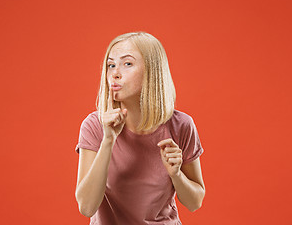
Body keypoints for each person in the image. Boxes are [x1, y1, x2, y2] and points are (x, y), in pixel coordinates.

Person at [75, 31, 205, 224]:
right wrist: (108, 140)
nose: (115, 73)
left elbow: (195, 202)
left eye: (127, 64)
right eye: (111, 65)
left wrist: (176, 174)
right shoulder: (94, 126)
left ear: (152, 71)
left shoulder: (181, 126)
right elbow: (86, 207)